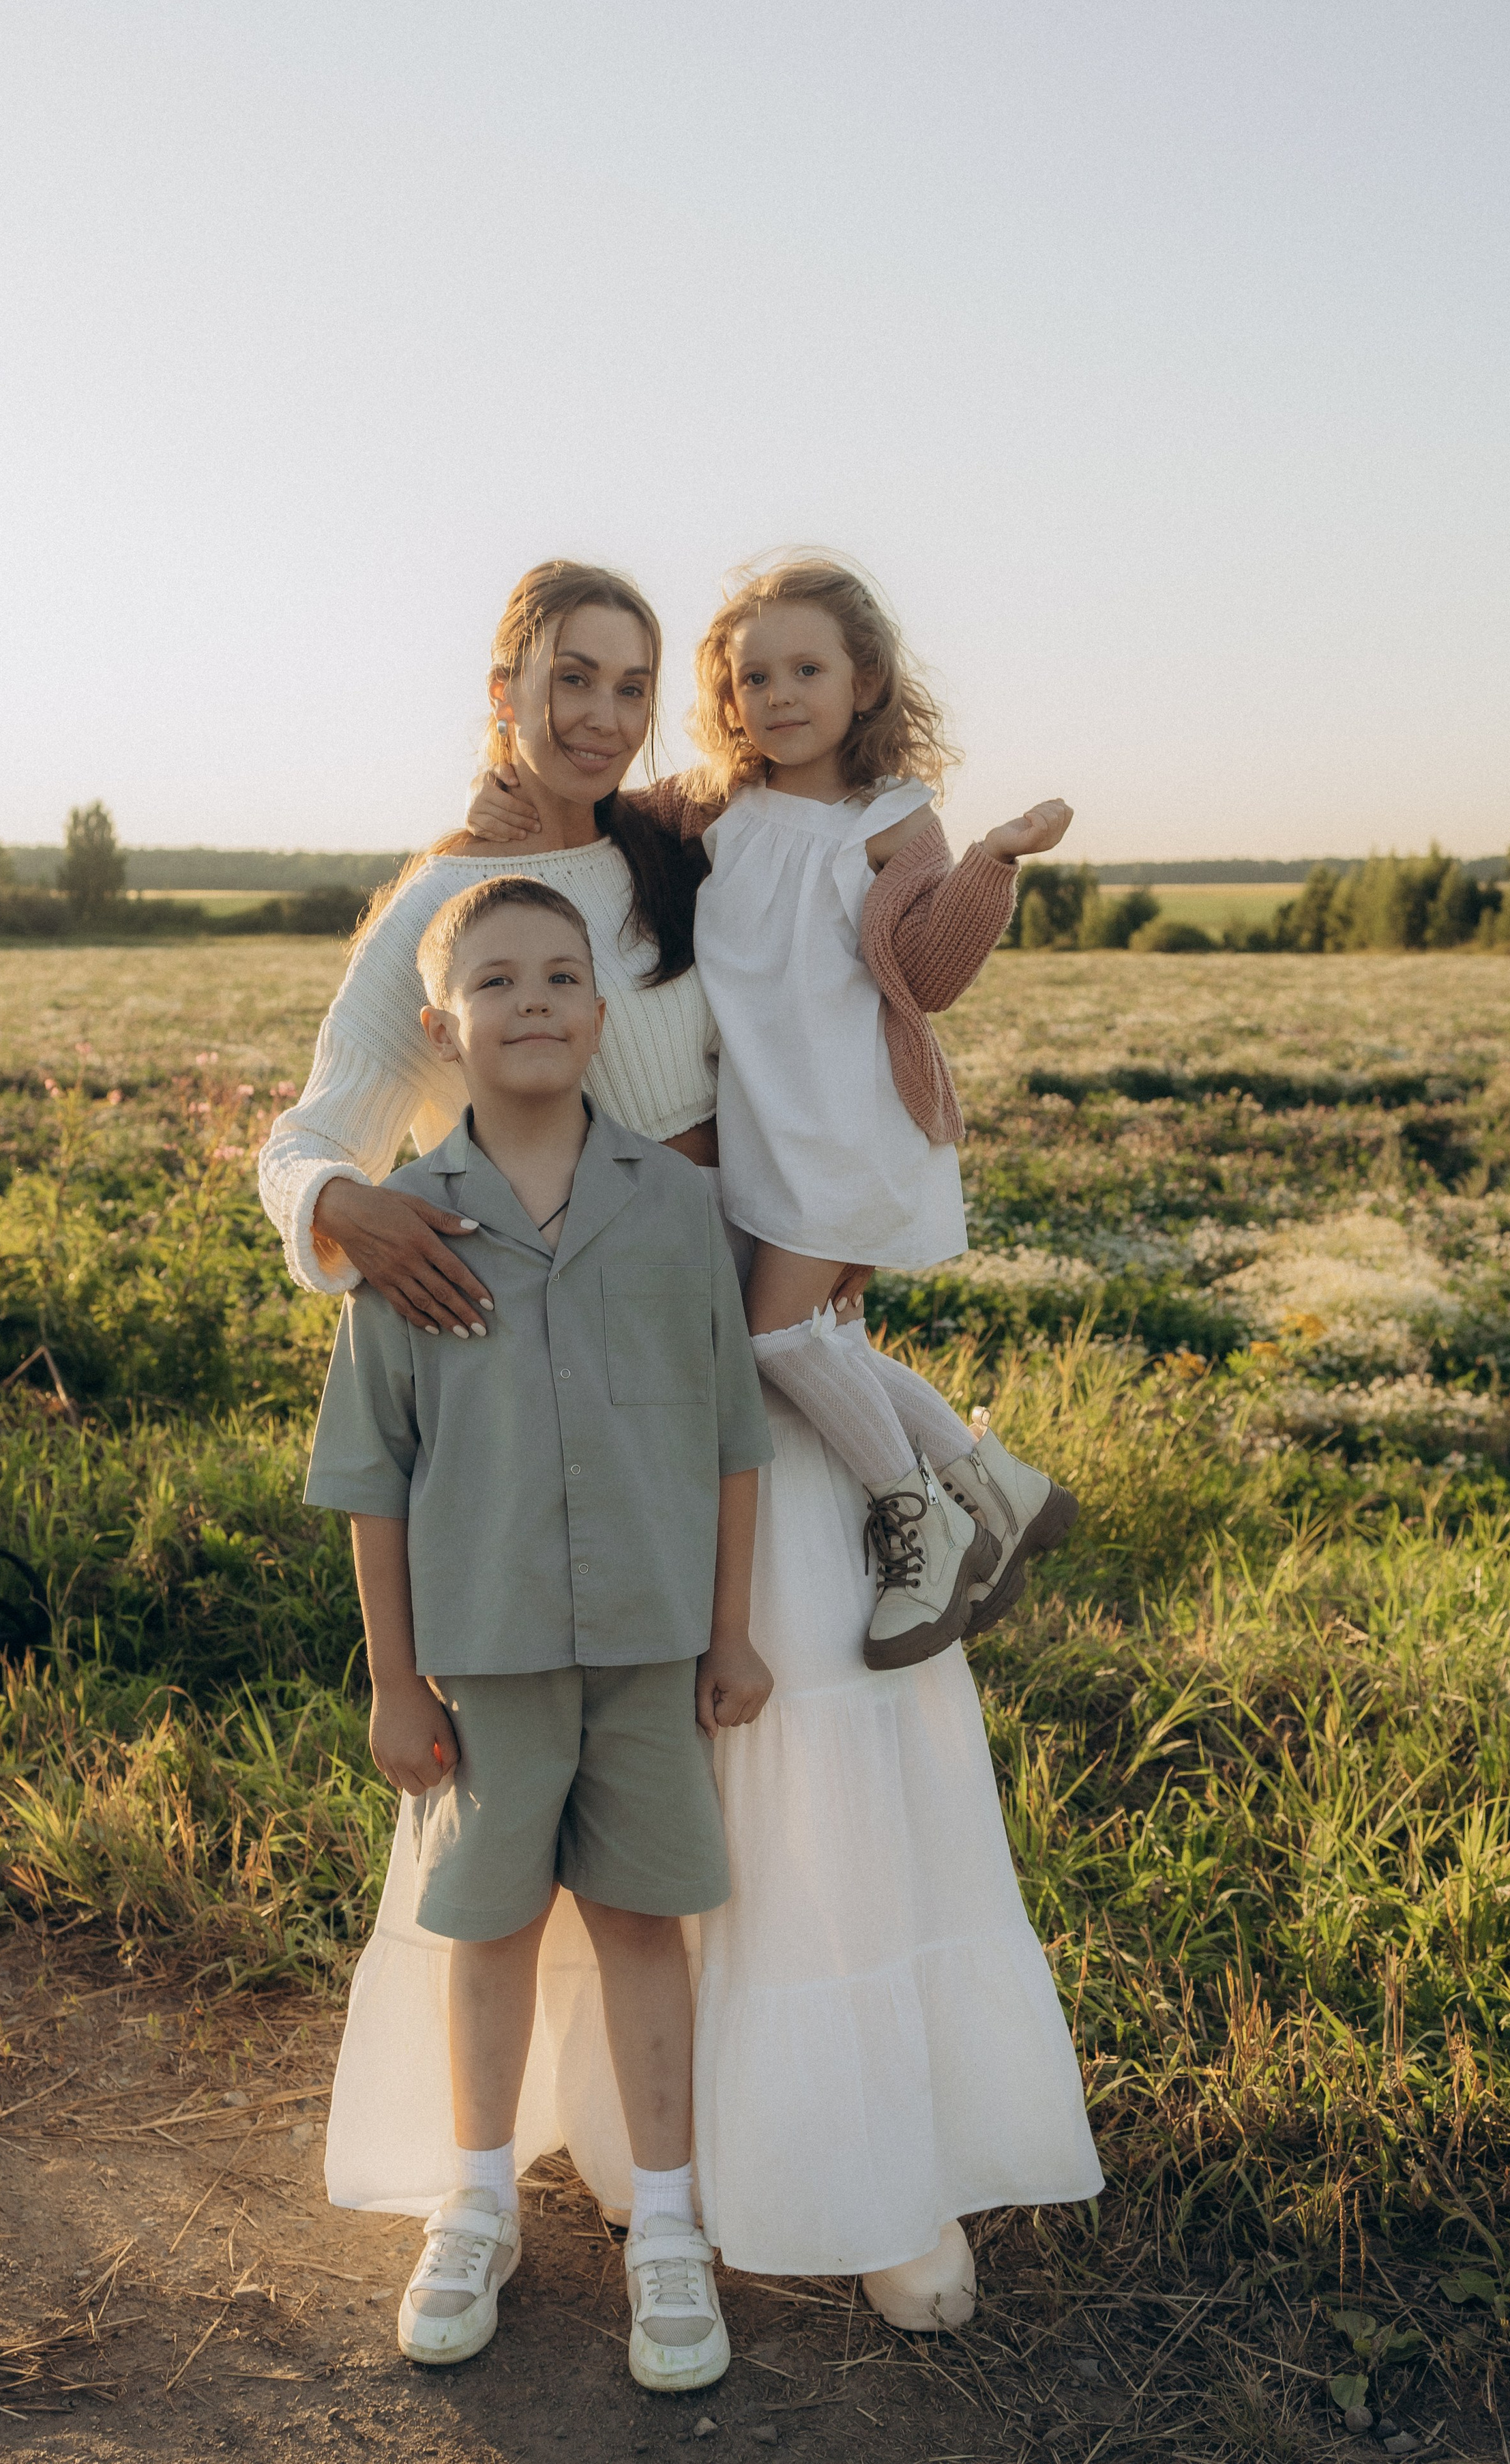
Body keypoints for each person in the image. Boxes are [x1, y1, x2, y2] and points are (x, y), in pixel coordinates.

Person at [261, 556, 1101, 2338]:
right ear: (504, 686)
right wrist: (343, 1200)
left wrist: (874, 1144)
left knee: (808, 1730)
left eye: (630, 684)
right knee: (608, 1761)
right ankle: (608, 2160)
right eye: (570, 677)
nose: (600, 712)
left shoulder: (678, 848)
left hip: (757, 1352)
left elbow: (827, 985)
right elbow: (318, 1124)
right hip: (584, 1393)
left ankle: (868, 2171)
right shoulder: (447, 895)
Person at [304, 873, 773, 2387]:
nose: (533, 1003)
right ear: (443, 1027)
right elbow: (371, 1473)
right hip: (485, 1658)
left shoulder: (675, 1207)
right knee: (489, 1927)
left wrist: (727, 1635)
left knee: (644, 1923)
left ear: (598, 1011)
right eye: (496, 983)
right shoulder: (405, 1233)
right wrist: (391, 1679)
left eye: (561, 977)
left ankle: (673, 2226)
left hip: (647, 1650)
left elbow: (728, 1438)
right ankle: (478, 2200)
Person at [476, 555, 1082, 1669]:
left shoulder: (896, 822)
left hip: (848, 1119)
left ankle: (924, 1516)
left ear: (866, 684)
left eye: (809, 669)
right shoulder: (719, 805)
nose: (782, 696)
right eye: (755, 678)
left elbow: (935, 967)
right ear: (726, 697)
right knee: (801, 1337)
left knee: (766, 1337)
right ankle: (993, 1479)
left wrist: (992, 863)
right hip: (772, 1125)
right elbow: (598, 819)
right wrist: (500, 806)